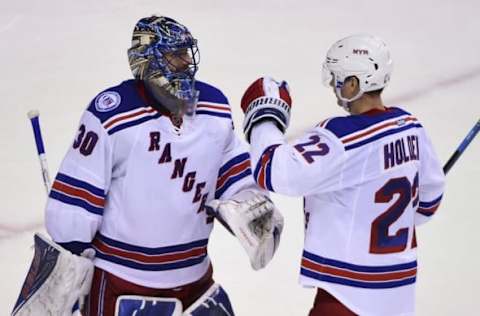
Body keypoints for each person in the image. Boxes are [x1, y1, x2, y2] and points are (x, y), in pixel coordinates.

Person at [12, 16, 283, 316]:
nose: (185, 64)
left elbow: (235, 176)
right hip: (123, 284)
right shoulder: (111, 115)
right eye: (174, 55)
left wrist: (250, 205)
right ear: (146, 62)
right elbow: (71, 215)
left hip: (196, 281)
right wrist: (70, 254)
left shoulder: (213, 108)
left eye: (186, 53)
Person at [239, 34, 445, 315]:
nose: (333, 86)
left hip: (346, 298)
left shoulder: (342, 138)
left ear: (353, 84)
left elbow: (273, 172)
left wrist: (264, 117)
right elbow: (428, 204)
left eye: (338, 78)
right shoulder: (411, 127)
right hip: (399, 297)